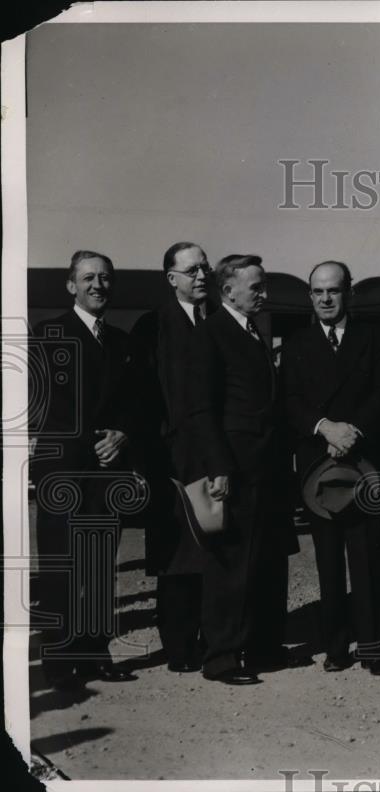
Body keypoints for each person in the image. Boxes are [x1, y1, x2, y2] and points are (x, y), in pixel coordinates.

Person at [187, 254, 307, 685]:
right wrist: (218, 466)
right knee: (231, 566)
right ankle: (221, 657)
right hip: (236, 467)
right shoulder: (212, 333)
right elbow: (202, 408)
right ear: (229, 290)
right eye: (256, 287)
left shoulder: (254, 331)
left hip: (268, 468)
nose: (264, 294)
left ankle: (264, 647)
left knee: (269, 561)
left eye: (264, 285)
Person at [282, 261, 380, 677]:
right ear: (310, 296)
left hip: (363, 462)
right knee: (328, 561)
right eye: (317, 291)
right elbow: (290, 399)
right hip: (317, 464)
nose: (326, 299)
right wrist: (325, 428)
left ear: (350, 293)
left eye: (333, 290)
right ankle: (335, 646)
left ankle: (374, 646)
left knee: (368, 558)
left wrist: (354, 431)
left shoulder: (374, 337)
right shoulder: (296, 342)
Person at [30, 250, 138, 689]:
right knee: (59, 567)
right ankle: (57, 663)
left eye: (105, 278)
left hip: (106, 470)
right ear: (71, 285)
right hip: (63, 468)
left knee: (97, 566)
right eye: (89, 278)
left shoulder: (121, 341)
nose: (98, 285)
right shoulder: (48, 333)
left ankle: (95, 655)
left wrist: (122, 435)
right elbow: (39, 407)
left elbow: (135, 404)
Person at [129, 242, 215, 673]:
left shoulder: (219, 321)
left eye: (205, 268)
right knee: (177, 556)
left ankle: (210, 638)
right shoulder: (153, 327)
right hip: (170, 461)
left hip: (215, 459)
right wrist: (153, 461)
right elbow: (143, 398)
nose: (202, 275)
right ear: (171, 278)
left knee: (212, 551)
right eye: (192, 270)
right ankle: (180, 647)